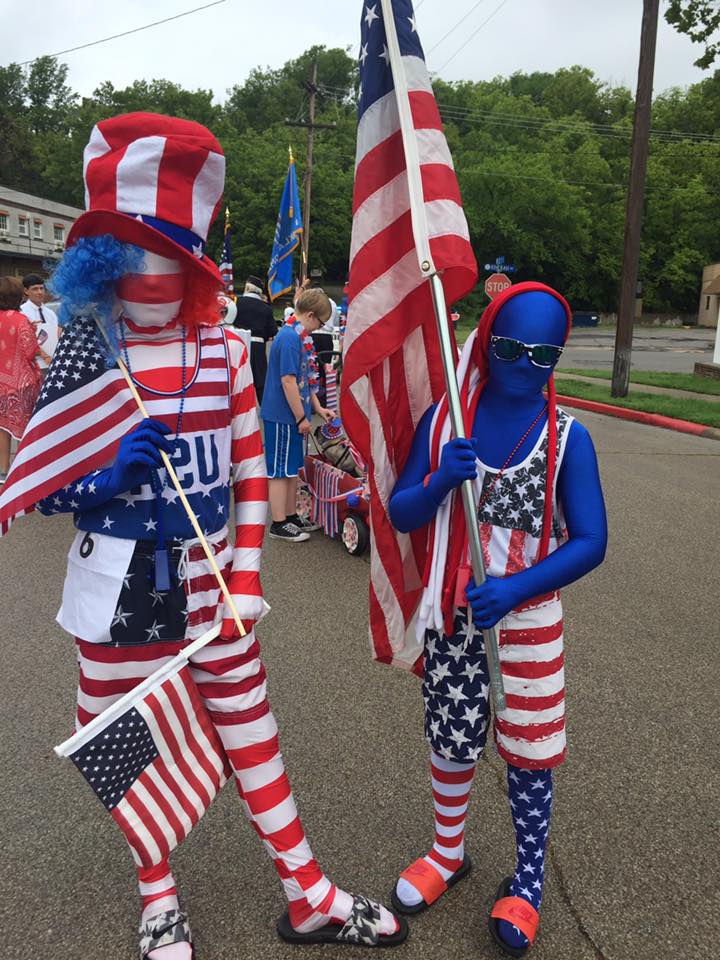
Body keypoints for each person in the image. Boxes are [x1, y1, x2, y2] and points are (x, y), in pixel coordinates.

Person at [0, 112, 406, 958]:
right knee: (124, 741)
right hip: (114, 591)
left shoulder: (224, 352)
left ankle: (308, 890)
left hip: (215, 582)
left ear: (191, 265)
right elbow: (41, 488)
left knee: (250, 726)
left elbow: (252, 471)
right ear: (100, 261)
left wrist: (249, 573)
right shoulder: (84, 355)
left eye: (167, 257)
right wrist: (105, 478)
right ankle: (158, 897)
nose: (149, 276)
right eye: (132, 255)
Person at [387, 283, 607, 956]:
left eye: (543, 354)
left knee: (530, 754)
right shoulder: (447, 421)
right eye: (509, 347)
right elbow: (400, 512)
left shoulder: (569, 439)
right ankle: (447, 851)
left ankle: (529, 878)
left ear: (558, 356)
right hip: (454, 622)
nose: (524, 364)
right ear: (486, 341)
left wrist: (515, 590)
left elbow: (591, 541)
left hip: (528, 624)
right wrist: (438, 481)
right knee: (451, 739)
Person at [260, 287, 335, 542]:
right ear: (311, 315)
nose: (319, 328)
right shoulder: (290, 338)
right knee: (280, 471)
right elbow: (289, 381)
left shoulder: (299, 336)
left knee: (292, 469)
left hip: (293, 415)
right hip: (282, 416)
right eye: (321, 323)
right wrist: (301, 417)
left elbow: (305, 380)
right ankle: (279, 523)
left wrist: (317, 408)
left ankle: (290, 516)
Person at [0, 276, 43, 482]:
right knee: (25, 428)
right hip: (21, 383)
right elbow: (30, 350)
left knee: (2, 427)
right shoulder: (21, 320)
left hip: (1, 381)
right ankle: (22, 470)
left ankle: (3, 470)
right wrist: (32, 332)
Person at [233, 276, 277, 401]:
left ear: (247, 288)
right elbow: (272, 331)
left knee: (237, 378)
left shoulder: (237, 303)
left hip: (238, 344)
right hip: (257, 346)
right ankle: (266, 407)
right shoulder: (266, 308)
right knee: (260, 380)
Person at [21, 273, 60, 374]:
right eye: (35, 289)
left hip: (54, 362)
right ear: (26, 291)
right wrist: (44, 356)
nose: (39, 292)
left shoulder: (51, 313)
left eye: (41, 288)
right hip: (34, 364)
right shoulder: (22, 312)